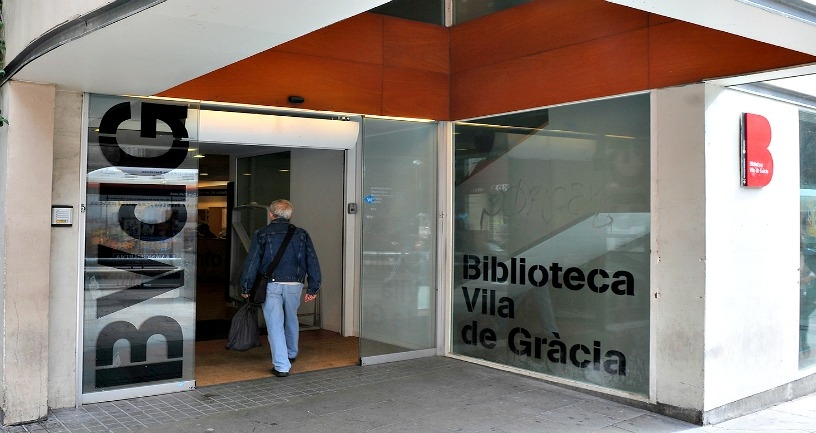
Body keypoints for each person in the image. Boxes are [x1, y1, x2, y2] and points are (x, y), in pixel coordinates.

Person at [240, 199, 321, 377]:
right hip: (295, 284)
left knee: (275, 323)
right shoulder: (301, 234)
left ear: (271, 214)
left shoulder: (262, 233)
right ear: (290, 215)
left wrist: (246, 286)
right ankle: (291, 353)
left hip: (271, 285)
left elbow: (252, 262)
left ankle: (282, 365)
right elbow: (312, 260)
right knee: (291, 317)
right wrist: (313, 287)